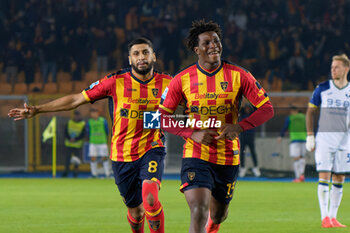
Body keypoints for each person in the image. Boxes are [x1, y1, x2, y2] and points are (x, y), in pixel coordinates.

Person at [8, 37, 172, 233]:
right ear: (129, 59)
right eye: (136, 54)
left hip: (152, 147)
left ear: (154, 56)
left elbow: (192, 106)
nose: (141, 57)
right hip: (122, 155)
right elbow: (77, 99)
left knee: (151, 197)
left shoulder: (168, 83)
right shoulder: (115, 81)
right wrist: (38, 109)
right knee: (136, 213)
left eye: (145, 52)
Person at [159, 20, 274, 233]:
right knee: (198, 209)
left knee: (219, 213)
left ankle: (214, 225)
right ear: (197, 50)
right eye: (207, 42)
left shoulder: (239, 75)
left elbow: (267, 108)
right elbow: (161, 117)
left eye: (216, 41)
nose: (213, 45)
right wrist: (191, 134)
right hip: (196, 154)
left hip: (228, 155)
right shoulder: (181, 79)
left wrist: (240, 127)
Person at [306, 53, 350, 228]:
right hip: (324, 139)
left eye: (337, 67)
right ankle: (324, 217)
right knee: (324, 175)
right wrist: (310, 135)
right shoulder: (323, 88)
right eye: (332, 67)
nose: (333, 70)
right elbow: (310, 112)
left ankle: (333, 217)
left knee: (339, 178)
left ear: (346, 68)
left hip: (345, 142)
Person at [277, 105, 307, 182]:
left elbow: (285, 127)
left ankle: (297, 177)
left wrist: (280, 136)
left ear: (294, 111)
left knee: (296, 158)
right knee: (302, 157)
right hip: (304, 139)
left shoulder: (290, 118)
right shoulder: (304, 117)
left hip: (295, 140)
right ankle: (302, 175)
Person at [86, 107, 110, 178]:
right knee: (93, 158)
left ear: (98, 113)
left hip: (102, 142)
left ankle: (107, 174)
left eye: (95, 113)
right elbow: (87, 132)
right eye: (92, 113)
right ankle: (94, 174)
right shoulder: (89, 122)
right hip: (93, 143)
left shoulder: (103, 121)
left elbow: (107, 131)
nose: (93, 114)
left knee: (104, 157)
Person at [238, 104, 261, 177]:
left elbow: (257, 108)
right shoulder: (242, 116)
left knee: (253, 152)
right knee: (242, 152)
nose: (247, 110)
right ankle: (242, 168)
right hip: (243, 136)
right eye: (246, 108)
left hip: (251, 136)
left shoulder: (252, 115)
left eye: (248, 108)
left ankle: (255, 167)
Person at [63, 110, 86, 178]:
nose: (76, 116)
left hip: (77, 145)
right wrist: (69, 138)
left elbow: (83, 134)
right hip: (69, 144)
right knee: (67, 159)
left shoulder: (83, 123)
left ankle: (75, 172)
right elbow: (65, 132)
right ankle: (66, 172)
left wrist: (75, 139)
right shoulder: (69, 122)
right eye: (75, 115)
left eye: (77, 115)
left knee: (76, 160)